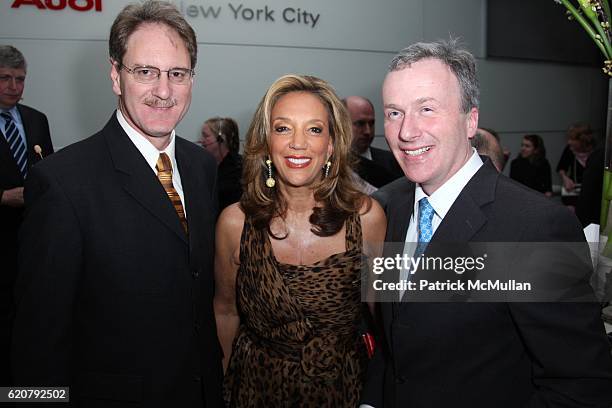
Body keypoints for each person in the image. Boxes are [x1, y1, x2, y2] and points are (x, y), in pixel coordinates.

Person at [360, 39, 612, 408]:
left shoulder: (535, 229)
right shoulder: (386, 208)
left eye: (426, 109)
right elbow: (395, 340)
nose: (406, 132)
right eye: (394, 113)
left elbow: (580, 387)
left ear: (470, 121)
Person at [11, 2, 223, 406]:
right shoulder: (62, 183)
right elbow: (36, 341)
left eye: (177, 74)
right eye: (145, 72)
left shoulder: (200, 169)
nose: (164, 91)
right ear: (115, 75)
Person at [214, 74, 386, 407]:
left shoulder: (367, 219)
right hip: (254, 391)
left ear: (332, 144)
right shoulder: (234, 223)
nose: (297, 143)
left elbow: (388, 324)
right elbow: (224, 313)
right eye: (282, 128)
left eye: (314, 129)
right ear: (266, 142)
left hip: (344, 392)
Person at [0, 45, 53, 386]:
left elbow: (48, 169)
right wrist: (2, 197)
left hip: (32, 241)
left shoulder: (36, 119)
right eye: (5, 78)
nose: (13, 86)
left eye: (20, 79)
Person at [344, 95, 402, 187]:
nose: (368, 131)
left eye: (371, 123)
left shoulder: (395, 162)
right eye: (360, 124)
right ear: (342, 124)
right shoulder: (329, 165)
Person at [200, 116, 243, 210]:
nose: (201, 141)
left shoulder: (238, 169)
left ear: (220, 139)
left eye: (206, 136)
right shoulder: (205, 167)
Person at [557, 122, 595, 207]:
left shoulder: (597, 153)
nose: (569, 142)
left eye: (572, 139)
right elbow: (561, 167)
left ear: (582, 140)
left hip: (591, 196)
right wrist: (565, 178)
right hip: (573, 195)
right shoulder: (570, 150)